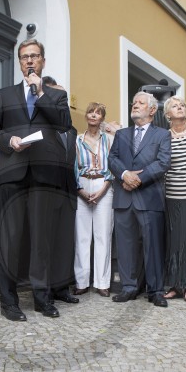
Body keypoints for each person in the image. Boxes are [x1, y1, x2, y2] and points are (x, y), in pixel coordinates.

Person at [0, 39, 72, 321]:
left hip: (45, 174)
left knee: (42, 239)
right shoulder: (6, 95)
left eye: (34, 56)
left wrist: (42, 92)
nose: (29, 61)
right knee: (9, 239)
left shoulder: (56, 95)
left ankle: (42, 298)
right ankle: (8, 301)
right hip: (13, 171)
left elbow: (62, 124)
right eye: (24, 57)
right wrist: (9, 140)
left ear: (43, 61)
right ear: (19, 62)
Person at [108, 91, 171, 307]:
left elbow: (163, 163)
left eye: (140, 103)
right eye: (134, 102)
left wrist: (138, 178)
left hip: (150, 197)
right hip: (124, 198)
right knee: (125, 245)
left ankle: (155, 290)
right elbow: (112, 158)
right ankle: (129, 287)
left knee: (153, 245)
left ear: (152, 110)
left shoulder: (162, 135)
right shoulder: (121, 134)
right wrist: (125, 175)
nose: (135, 105)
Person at [42, 77, 79, 305]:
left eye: (64, 97)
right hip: (46, 191)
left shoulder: (72, 130)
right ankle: (43, 290)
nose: (63, 101)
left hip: (68, 192)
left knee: (65, 243)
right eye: (59, 97)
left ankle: (61, 288)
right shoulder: (41, 127)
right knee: (45, 243)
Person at [73, 103, 114, 297]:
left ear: (102, 118)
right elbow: (73, 166)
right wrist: (80, 190)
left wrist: (103, 190)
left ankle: (102, 283)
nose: (93, 115)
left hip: (103, 185)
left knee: (103, 236)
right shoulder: (77, 139)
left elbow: (113, 166)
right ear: (86, 116)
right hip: (82, 184)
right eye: (90, 111)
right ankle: (81, 282)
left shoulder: (110, 140)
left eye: (98, 113)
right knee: (81, 236)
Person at [163, 96, 186, 302]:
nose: (180, 107)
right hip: (170, 196)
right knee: (173, 241)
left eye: (182, 105)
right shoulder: (164, 138)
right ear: (167, 115)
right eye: (175, 106)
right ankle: (174, 284)